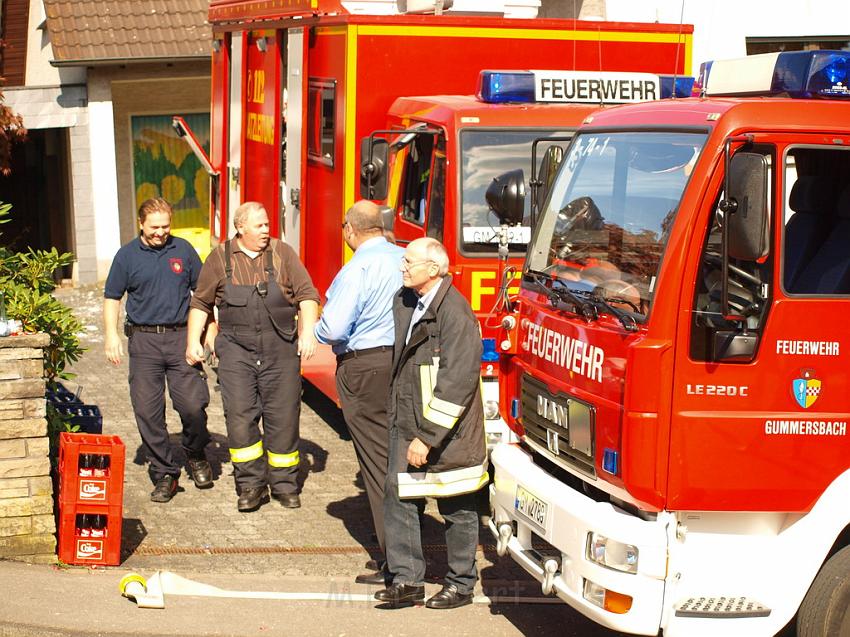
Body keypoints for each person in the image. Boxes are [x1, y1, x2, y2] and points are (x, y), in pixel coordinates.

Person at [375, 237, 488, 610]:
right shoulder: (409, 301)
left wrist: (427, 437)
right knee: (401, 499)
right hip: (409, 422)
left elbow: (456, 382)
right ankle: (407, 580)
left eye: (409, 262)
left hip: (446, 432)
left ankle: (460, 584)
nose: (402, 267)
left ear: (434, 270)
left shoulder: (455, 313)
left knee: (457, 506)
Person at [185, 201, 320, 512]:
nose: (265, 230)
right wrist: (194, 341)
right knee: (240, 420)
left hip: (281, 349)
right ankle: (250, 485)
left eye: (267, 224)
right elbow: (201, 304)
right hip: (236, 352)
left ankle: (284, 485)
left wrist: (308, 332)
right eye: (259, 225)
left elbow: (307, 295)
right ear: (240, 227)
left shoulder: (283, 253)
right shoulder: (219, 258)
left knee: (283, 418)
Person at [314, 200, 404, 585]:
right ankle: (404, 552)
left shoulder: (357, 269)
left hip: (364, 367)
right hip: (404, 364)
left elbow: (332, 330)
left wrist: (317, 330)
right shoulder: (405, 259)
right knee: (398, 456)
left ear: (350, 230)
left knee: (377, 464)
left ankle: (397, 563)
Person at [103, 197, 213, 503]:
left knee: (193, 405)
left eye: (166, 226)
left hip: (180, 337)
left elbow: (203, 296)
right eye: (154, 227)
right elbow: (112, 297)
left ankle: (195, 450)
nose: (161, 233)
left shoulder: (183, 250)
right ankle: (166, 471)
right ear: (141, 223)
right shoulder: (126, 256)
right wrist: (111, 335)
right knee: (147, 412)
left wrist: (208, 334)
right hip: (144, 342)